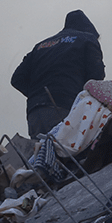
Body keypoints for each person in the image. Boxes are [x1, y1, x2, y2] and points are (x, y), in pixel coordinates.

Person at [11, 10, 105, 139]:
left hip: (35, 112)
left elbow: (17, 79)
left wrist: (37, 94)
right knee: (71, 154)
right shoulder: (87, 39)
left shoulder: (40, 46)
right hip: (65, 107)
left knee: (43, 154)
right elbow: (96, 78)